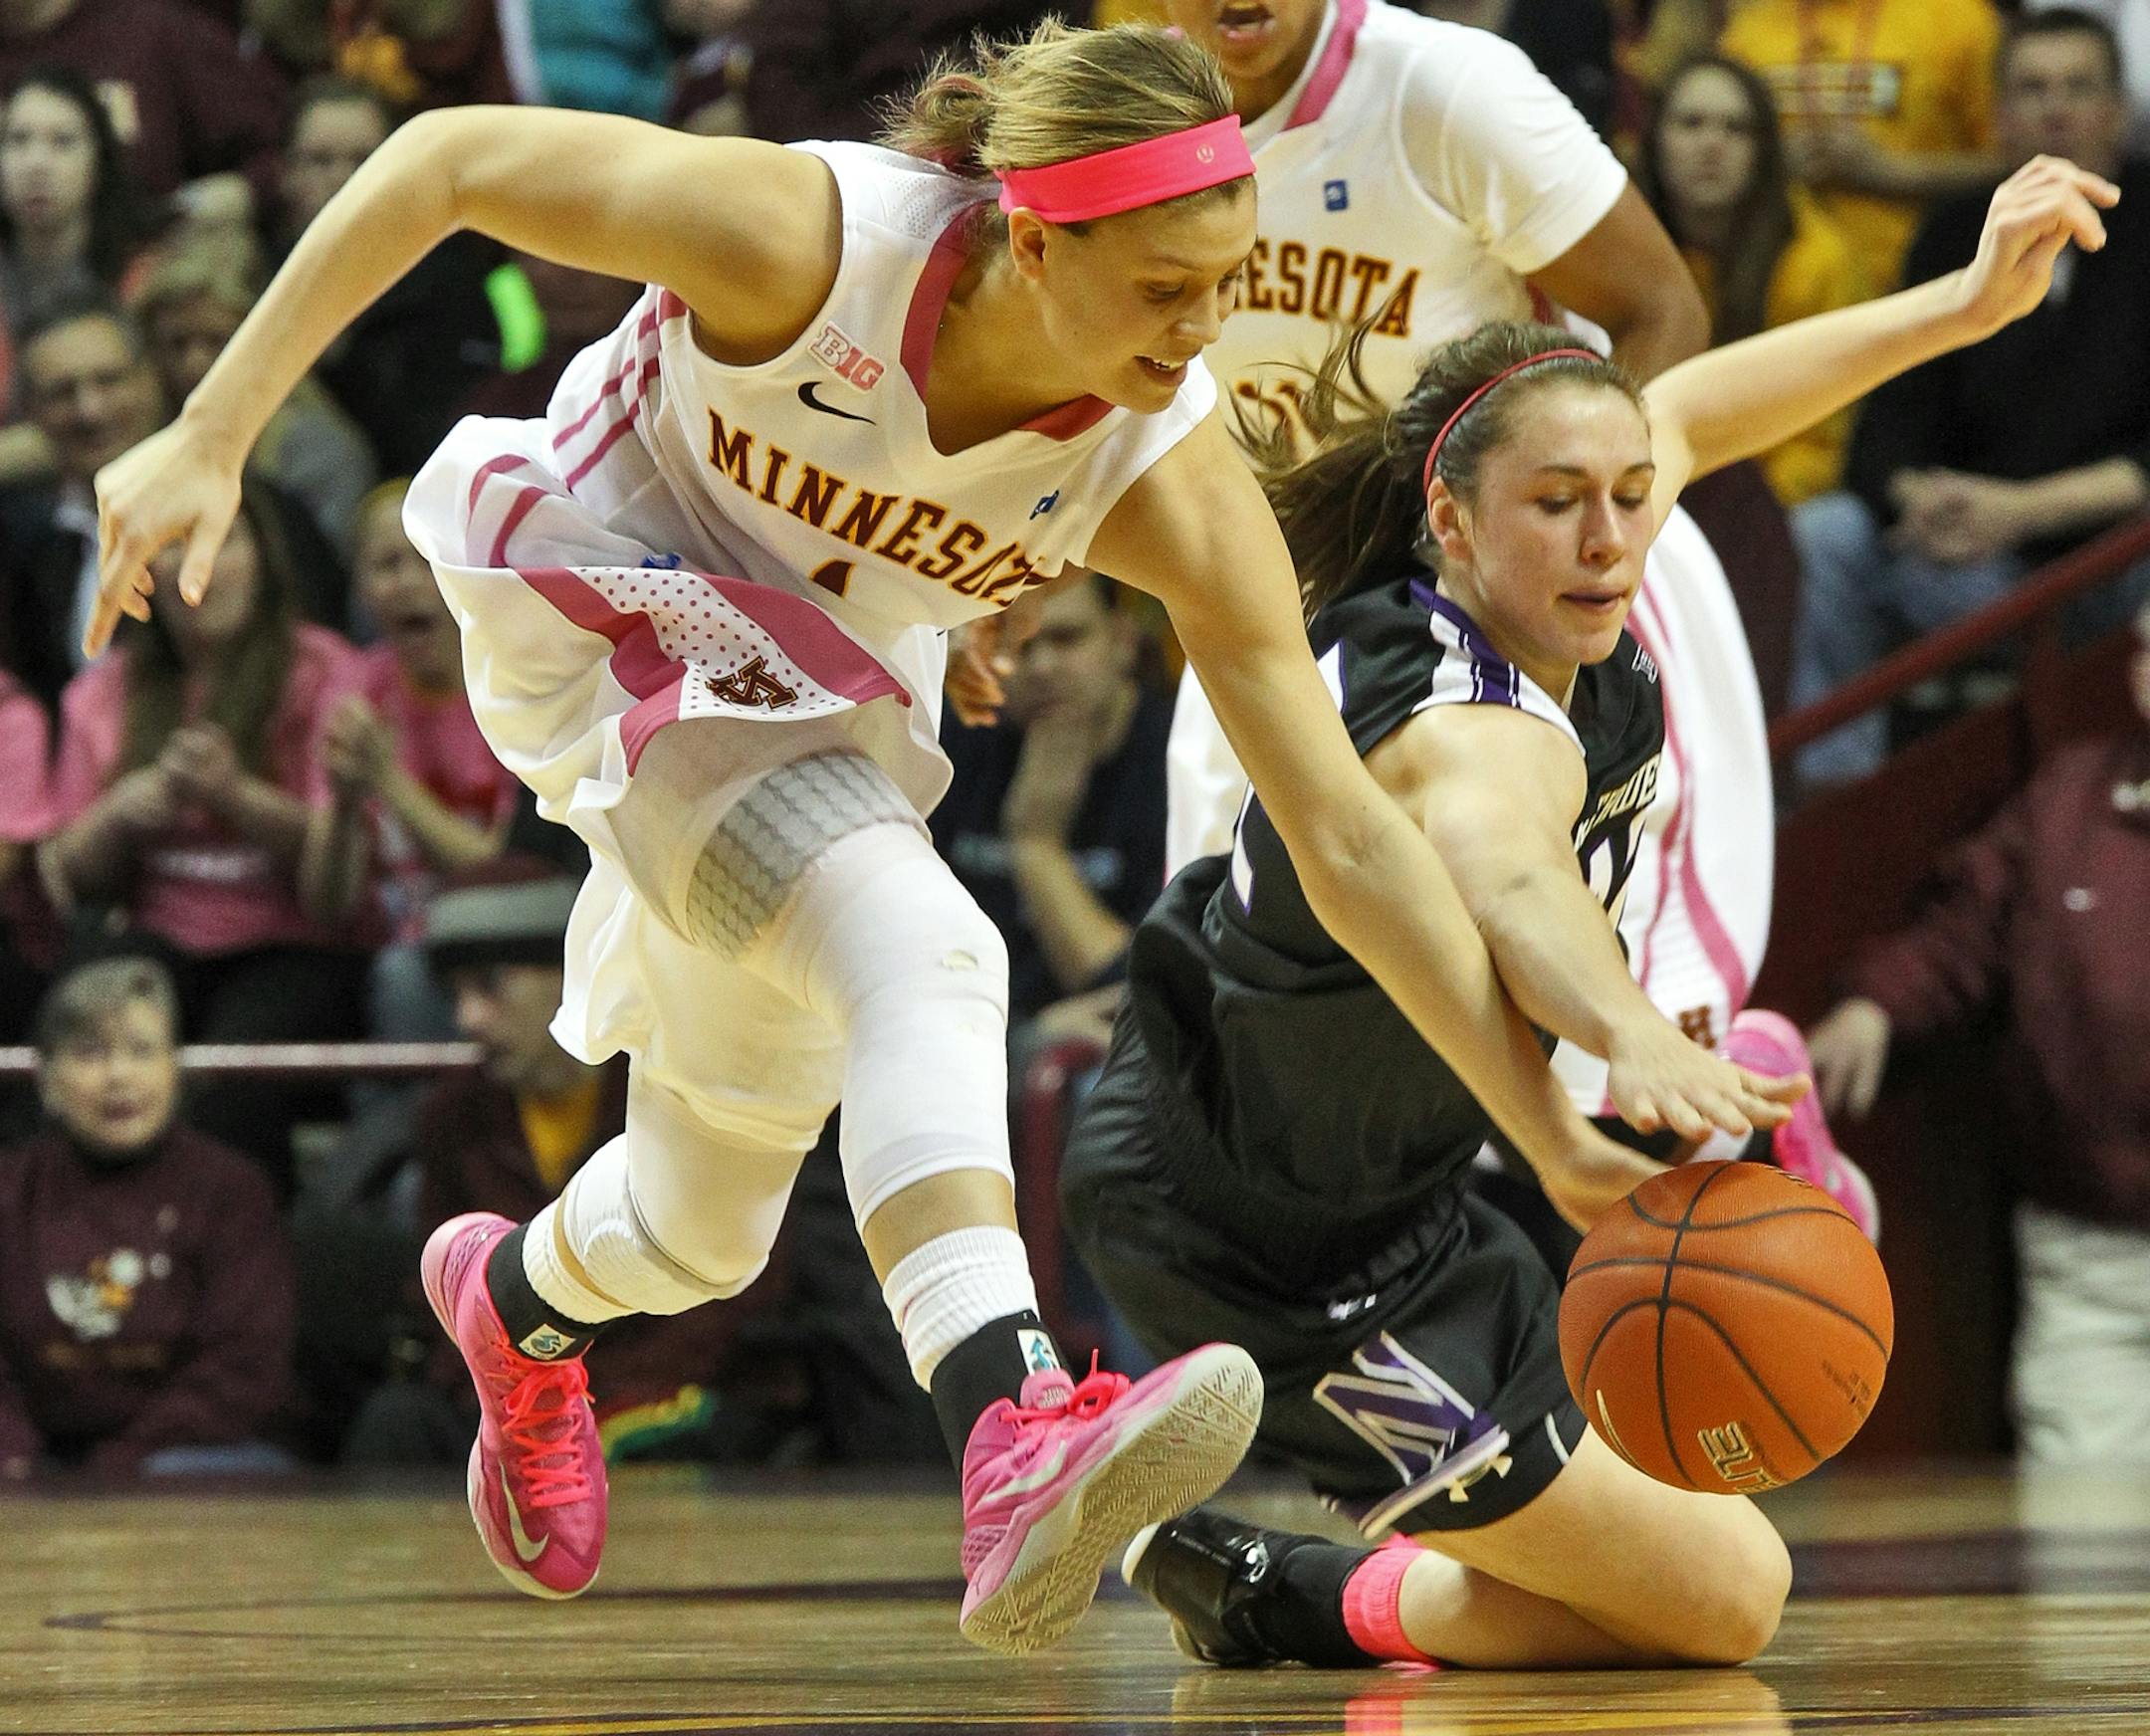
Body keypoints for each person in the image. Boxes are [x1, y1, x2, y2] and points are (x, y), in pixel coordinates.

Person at [84, 20, 1790, 1652]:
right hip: (612, 585)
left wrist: (1549, 1136)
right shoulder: (811, 241)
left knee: (710, 1208)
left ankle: (522, 1304)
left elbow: (1347, 838)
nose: (1209, 334)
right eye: (1171, 288)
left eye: (1229, 284)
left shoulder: (1167, 470)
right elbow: (449, 156)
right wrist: (211, 432)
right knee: (930, 942)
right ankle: (1010, 1418)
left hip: (810, 687)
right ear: (1032, 241)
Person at [1059, 156, 2114, 1669]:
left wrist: (1960, 302)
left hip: (1407, 1200)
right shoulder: (1463, 721)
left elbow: (1704, 407)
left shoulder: (1566, 559)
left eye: (1630, 499)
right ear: (1456, 520)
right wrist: (1625, 1034)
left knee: (1689, 1598)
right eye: (1561, 505)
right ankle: (1268, 1584)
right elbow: (1508, 879)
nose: (1615, 538)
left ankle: (1257, 1582)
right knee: (1717, 1605)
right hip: (1252, 1235)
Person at [1155, 0, 1843, 1229]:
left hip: (1511, 590)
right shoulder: (1134, 124)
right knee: (1271, 1046)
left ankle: (1756, 1133)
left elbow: (1661, 312)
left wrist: (1579, 521)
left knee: (1614, 1052)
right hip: (1287, 609)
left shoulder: (1452, 91)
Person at [1804, 595, 2150, 1466]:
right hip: (2090, 1252)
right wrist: (1874, 1004)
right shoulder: (2070, 798)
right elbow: (1963, 928)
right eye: (2147, 651)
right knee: (2077, 1536)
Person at [1789, 6, 2150, 788]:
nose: (2056, 108)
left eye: (2079, 87)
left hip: (2102, 570)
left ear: (2118, 113)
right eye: (2033, 88)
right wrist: (1921, 495)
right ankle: (1830, 800)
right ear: (1999, 118)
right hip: (1963, 558)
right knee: (1829, 534)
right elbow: (1885, 421)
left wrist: (2020, 510)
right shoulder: (1954, 232)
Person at [42, 477, 368, 1189]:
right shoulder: (103, 691)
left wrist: (238, 799)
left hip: (290, 944)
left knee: (231, 1073)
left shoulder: (325, 669)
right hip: (157, 941)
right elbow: (63, 874)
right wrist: (125, 810)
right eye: (176, 549)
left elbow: (337, 890)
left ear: (266, 558)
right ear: (143, 575)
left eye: (223, 543)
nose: (201, 569)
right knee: (93, 1017)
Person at [0, 956, 296, 1479]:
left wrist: (118, 1466)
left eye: (142, 1051)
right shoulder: (11, 1190)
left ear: (174, 1068)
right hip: (27, 1463)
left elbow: (245, 1367)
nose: (119, 1076)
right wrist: (17, 1458)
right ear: (47, 1078)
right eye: (91, 1053)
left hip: (182, 1457)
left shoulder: (231, 1191)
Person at [301, 478, 520, 1048]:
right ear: (361, 588)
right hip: (382, 946)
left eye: (426, 560)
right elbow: (328, 902)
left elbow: (502, 870)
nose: (406, 584)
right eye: (386, 565)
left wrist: (387, 782)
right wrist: (347, 802)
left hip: (502, 937)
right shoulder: (352, 687)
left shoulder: (514, 681)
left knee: (406, 979)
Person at [930, 571, 1172, 1027]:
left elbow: (1152, 993)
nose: (1041, 668)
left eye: (1067, 638)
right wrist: (1028, 1038)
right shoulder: (954, 741)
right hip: (980, 1035)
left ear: (1123, 640)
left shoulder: (1177, 760)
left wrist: (1037, 844)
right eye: (1019, 646)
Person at [1637, 54, 1871, 506]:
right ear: (1654, 141)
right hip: (1637, 487)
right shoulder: (1614, 248)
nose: (1712, 144)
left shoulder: (1817, 258)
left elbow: (1822, 440)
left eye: (1736, 128)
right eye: (1691, 124)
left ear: (1765, 150)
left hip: (1770, 501)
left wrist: (1744, 513)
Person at [1720, 0, 2008, 290]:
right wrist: (1771, 165)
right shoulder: (1748, 31)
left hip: (1929, 281)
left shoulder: (1958, 19)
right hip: (1787, 290)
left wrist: (1892, 173)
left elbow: (2012, 166)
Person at [0, 65, 149, 418]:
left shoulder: (147, 277)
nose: (36, 164)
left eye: (63, 142)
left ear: (99, 161)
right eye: (17, 140)